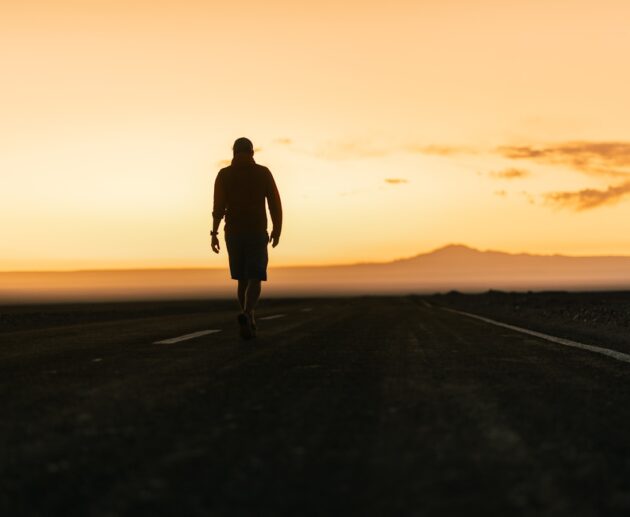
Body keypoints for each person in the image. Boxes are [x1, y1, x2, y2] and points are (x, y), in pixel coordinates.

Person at [211, 137, 283, 339]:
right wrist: (278, 228)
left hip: (233, 233)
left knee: (242, 279)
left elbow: (218, 208)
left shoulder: (224, 174)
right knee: (256, 276)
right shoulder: (262, 173)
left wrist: (214, 233)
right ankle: (248, 312)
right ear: (252, 153)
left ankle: (248, 318)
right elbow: (274, 203)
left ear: (234, 153)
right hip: (256, 231)